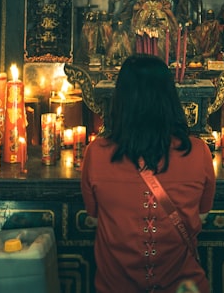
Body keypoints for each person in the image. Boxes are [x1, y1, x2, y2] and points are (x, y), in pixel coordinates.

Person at [81, 54, 215, 293]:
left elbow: (94, 217)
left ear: (120, 100)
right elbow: (202, 216)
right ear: (171, 98)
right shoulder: (198, 152)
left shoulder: (96, 154)